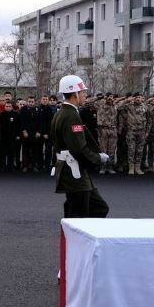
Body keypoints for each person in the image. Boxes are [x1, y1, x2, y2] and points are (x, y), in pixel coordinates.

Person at [51, 75, 109, 218]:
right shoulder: (70, 115)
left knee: (97, 208)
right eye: (82, 92)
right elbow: (78, 148)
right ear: (74, 94)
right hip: (73, 170)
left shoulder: (63, 113)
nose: (85, 95)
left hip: (73, 169)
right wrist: (97, 158)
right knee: (79, 215)